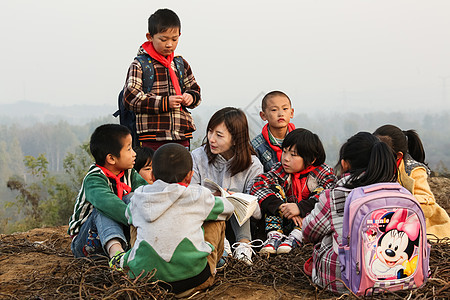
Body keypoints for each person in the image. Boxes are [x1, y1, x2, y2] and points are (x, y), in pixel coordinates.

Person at [120, 143, 234, 297]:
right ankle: (216, 263)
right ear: (189, 176)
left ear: (153, 176)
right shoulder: (197, 195)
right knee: (216, 217)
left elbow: (128, 215)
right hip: (195, 280)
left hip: (144, 282)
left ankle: (138, 258)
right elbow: (228, 209)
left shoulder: (139, 197)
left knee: (134, 218)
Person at [302, 132, 398, 293]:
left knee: (329, 231)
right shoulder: (397, 192)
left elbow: (309, 232)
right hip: (397, 275)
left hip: (344, 282)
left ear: (345, 164)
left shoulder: (336, 195)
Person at [191, 107, 264, 265]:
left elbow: (258, 211)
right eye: (210, 132)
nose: (211, 139)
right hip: (206, 221)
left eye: (219, 135)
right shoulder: (197, 156)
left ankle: (244, 246)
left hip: (239, 224)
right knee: (214, 200)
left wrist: (234, 197)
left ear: (236, 139)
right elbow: (190, 195)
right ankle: (221, 245)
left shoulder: (253, 165)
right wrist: (214, 197)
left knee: (238, 196)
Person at [68, 124, 147, 264]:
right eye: (129, 149)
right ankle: (116, 254)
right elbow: (110, 205)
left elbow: (146, 193)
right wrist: (140, 219)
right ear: (111, 158)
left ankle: (131, 249)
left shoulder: (130, 173)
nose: (134, 153)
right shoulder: (94, 179)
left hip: (121, 234)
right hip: (88, 242)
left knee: (134, 197)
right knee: (104, 208)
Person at [123, 8, 201, 151]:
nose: (169, 44)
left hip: (181, 136)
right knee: (153, 173)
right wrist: (165, 102)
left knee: (180, 173)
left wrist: (191, 97)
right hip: (152, 138)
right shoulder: (141, 65)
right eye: (163, 39)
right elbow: (130, 97)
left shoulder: (180, 63)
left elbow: (195, 89)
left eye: (174, 39)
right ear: (150, 37)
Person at [250, 128, 336, 254]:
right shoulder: (280, 170)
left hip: (308, 224)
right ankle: (274, 236)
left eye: (293, 155)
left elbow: (330, 195)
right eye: (284, 152)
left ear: (311, 159)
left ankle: (297, 236)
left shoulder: (323, 173)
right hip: (283, 221)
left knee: (322, 194)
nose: (286, 158)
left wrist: (300, 208)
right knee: (273, 191)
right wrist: (281, 206)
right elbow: (257, 185)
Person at [373, 124, 450, 239]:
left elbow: (428, 206)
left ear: (398, 156)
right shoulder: (373, 166)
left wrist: (396, 203)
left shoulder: (414, 171)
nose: (376, 156)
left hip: (418, 225)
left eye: (382, 153)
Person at [251, 91, 295, 172]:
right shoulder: (256, 146)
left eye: (285, 109)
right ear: (263, 116)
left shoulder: (300, 140)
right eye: (274, 110)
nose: (281, 114)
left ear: (291, 113)